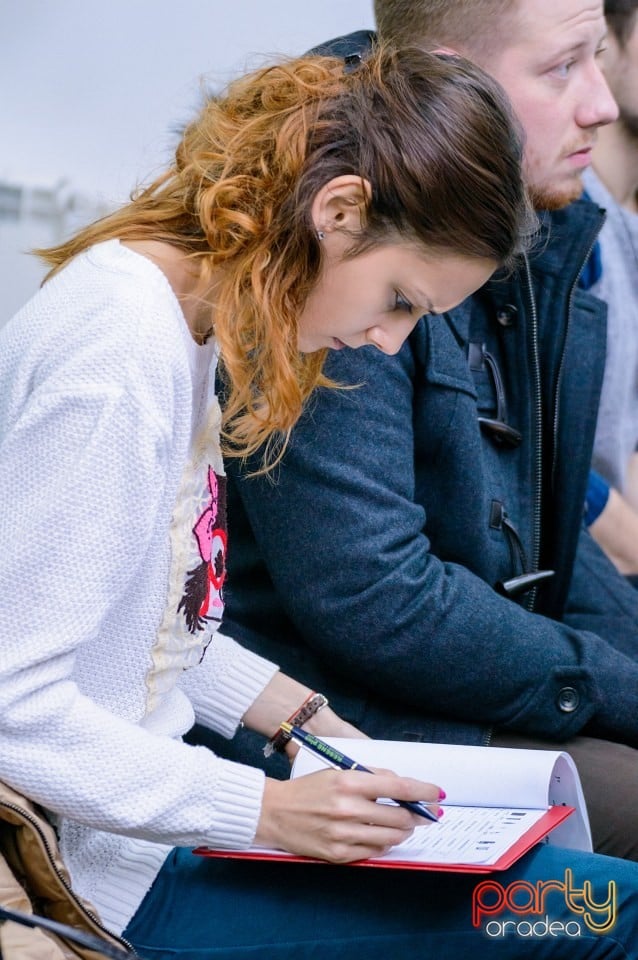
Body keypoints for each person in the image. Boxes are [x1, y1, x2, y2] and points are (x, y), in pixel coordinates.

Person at [1, 41, 609, 960]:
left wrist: (308, 721)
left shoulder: (181, 317)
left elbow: (148, 626)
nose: (385, 340)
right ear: (337, 210)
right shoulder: (117, 358)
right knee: (598, 915)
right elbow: (16, 710)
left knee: (584, 902)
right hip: (117, 881)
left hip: (162, 837)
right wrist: (272, 811)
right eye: (399, 299)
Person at [214, 0, 638, 864]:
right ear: (457, 79)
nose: (601, 102)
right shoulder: (349, 259)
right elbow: (376, 598)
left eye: (600, 60)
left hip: (438, 691)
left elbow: (548, 534)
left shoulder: (529, 234)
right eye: (563, 67)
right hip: (336, 718)